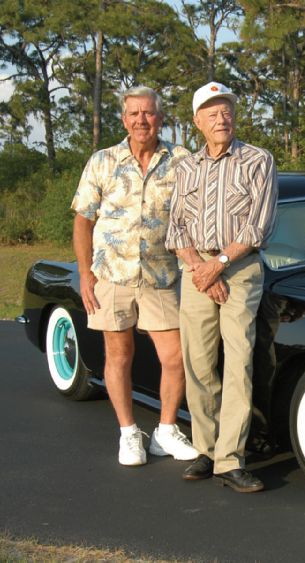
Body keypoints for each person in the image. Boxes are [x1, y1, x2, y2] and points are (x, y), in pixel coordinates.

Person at [72, 86, 199, 467]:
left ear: (161, 118)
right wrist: (85, 273)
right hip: (112, 274)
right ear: (124, 119)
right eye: (134, 114)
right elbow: (83, 220)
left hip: (163, 275)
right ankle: (129, 433)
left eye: (149, 113)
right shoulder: (103, 161)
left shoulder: (182, 160)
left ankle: (165, 430)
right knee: (118, 354)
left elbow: (198, 214)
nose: (141, 120)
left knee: (175, 358)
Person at [166, 82, 278, 493]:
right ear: (197, 122)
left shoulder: (258, 160)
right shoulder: (185, 168)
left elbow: (257, 225)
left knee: (238, 362)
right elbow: (176, 226)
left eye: (227, 109)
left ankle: (231, 460)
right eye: (212, 112)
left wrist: (219, 265)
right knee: (197, 363)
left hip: (240, 268)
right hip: (196, 272)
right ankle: (206, 449)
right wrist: (199, 268)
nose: (221, 118)